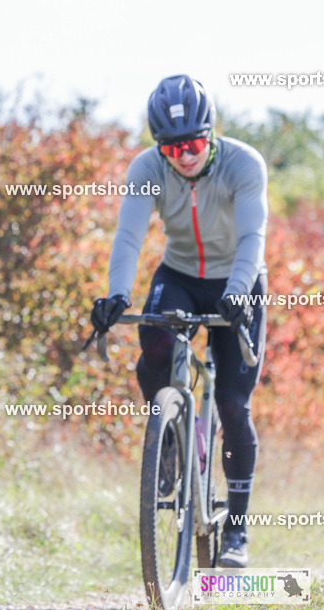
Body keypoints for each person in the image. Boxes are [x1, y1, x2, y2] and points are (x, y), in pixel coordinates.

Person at [91, 74, 268, 568]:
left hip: (239, 278)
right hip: (181, 275)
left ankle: (237, 530)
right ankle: (168, 439)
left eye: (193, 144)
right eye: (172, 148)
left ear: (210, 134)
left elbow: (252, 237)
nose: (184, 156)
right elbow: (129, 236)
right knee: (153, 345)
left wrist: (238, 291)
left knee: (232, 404)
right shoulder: (147, 168)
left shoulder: (243, 164)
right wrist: (117, 294)